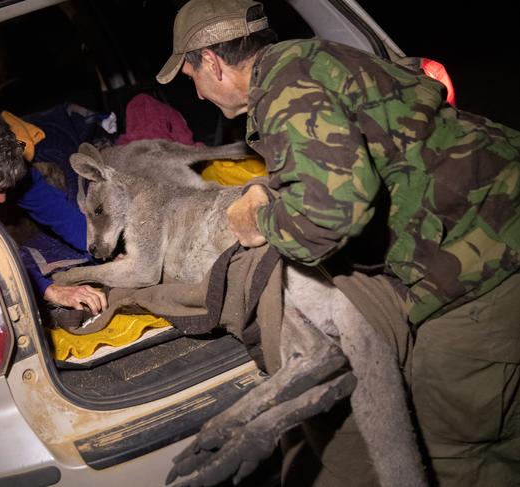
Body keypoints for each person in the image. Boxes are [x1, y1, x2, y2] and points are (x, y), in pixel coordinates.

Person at [156, 1, 520, 486]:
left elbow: (330, 216)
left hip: (486, 266)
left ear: (212, 63)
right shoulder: (313, 57)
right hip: (500, 220)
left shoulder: (285, 89)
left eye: (190, 77)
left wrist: (261, 217)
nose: (197, 95)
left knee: (453, 442)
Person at [0, 109, 108, 314]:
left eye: (7, 189)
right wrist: (49, 290)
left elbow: (57, 211)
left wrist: (104, 248)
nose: (3, 199)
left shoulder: (9, 164)